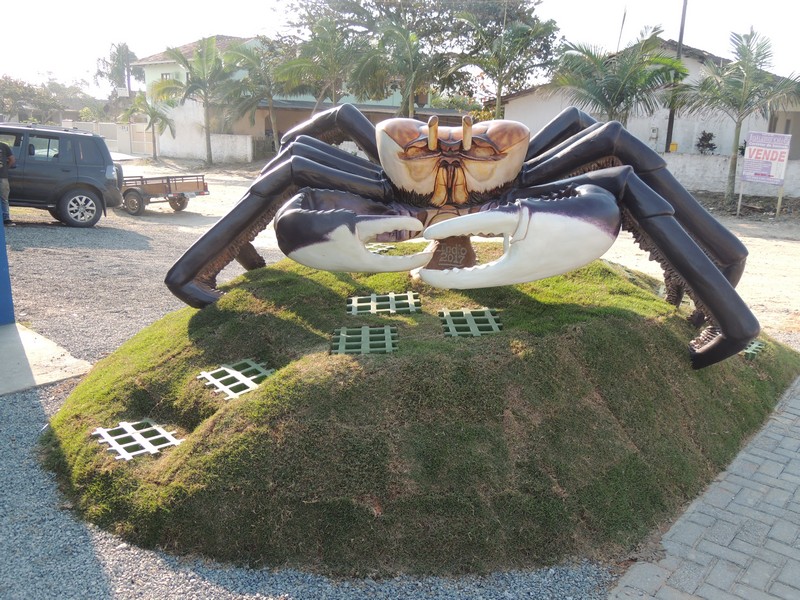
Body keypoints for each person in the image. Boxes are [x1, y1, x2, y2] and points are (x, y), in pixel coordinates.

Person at [0, 141, 16, 225]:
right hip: (2, 176)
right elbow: (12, 159)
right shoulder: (4, 146)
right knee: (4, 199)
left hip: (2, 176)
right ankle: (6, 219)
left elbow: (12, 160)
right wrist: (6, 168)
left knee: (4, 198)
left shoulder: (4, 146)